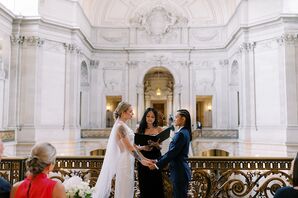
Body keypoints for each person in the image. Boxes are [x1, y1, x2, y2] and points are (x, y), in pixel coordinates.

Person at [92, 101, 154, 198]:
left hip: (129, 160)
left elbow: (133, 146)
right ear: (123, 112)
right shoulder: (120, 127)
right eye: (130, 111)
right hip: (124, 162)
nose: (132, 114)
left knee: (129, 188)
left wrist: (144, 154)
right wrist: (142, 161)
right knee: (124, 190)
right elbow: (129, 148)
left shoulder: (124, 126)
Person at [149, 109, 192, 198]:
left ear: (183, 119)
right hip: (180, 171)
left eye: (176, 117)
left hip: (179, 172)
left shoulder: (181, 134)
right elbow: (172, 152)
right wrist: (157, 159)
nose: (174, 119)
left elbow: (172, 153)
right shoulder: (185, 132)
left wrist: (157, 164)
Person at [136, 107, 164, 198]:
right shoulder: (139, 129)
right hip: (143, 160)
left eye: (152, 117)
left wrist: (156, 145)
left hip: (156, 158)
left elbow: (161, 147)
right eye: (148, 116)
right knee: (144, 185)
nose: (150, 118)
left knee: (157, 185)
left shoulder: (160, 129)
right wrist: (144, 147)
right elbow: (135, 148)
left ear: (155, 118)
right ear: (145, 117)